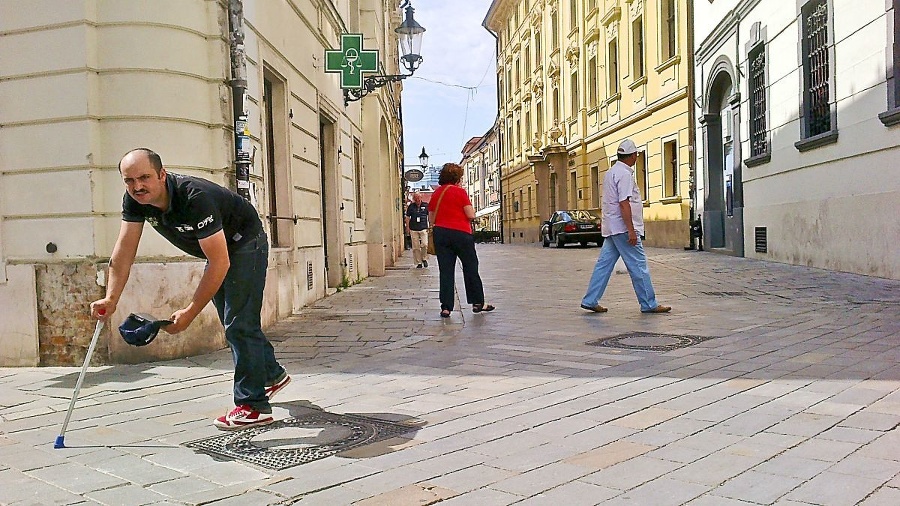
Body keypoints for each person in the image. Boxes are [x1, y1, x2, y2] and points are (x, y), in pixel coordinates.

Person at [90, 148, 290, 430]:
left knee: (239, 324)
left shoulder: (195, 197)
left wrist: (190, 312)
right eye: (129, 180)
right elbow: (124, 252)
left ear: (162, 174)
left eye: (144, 177)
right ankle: (271, 375)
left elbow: (219, 261)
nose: (137, 186)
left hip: (244, 243)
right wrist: (111, 298)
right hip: (217, 252)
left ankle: (253, 406)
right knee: (234, 321)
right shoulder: (135, 200)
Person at [581, 139, 671, 314]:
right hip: (623, 229)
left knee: (604, 265)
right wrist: (631, 230)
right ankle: (649, 303)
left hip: (613, 227)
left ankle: (590, 299)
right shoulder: (624, 174)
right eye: (636, 154)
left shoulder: (611, 172)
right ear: (633, 156)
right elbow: (624, 203)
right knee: (638, 265)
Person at [428, 163, 495, 318]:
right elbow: (470, 214)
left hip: (441, 234)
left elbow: (432, 218)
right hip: (461, 234)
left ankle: (446, 307)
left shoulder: (436, 194)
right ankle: (477, 302)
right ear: (457, 177)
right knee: (470, 267)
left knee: (446, 271)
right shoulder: (460, 192)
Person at [405, 192, 430, 268]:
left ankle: (424, 258)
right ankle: (418, 262)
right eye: (415, 198)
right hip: (414, 228)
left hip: (423, 228)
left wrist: (431, 225)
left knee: (425, 244)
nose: (417, 200)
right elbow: (407, 217)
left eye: (418, 198)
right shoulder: (411, 207)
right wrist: (407, 228)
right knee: (416, 247)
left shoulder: (426, 205)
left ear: (421, 198)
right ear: (413, 199)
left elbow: (429, 216)